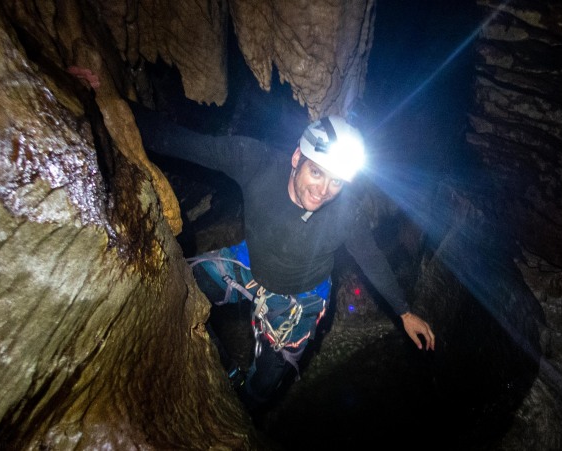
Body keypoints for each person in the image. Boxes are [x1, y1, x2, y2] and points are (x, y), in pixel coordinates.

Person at [131, 105, 435, 415]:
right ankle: (222, 368)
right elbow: (180, 141)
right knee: (178, 287)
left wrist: (404, 312)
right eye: (316, 172)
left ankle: (240, 414)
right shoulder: (256, 162)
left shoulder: (346, 215)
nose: (323, 191)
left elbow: (372, 258)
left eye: (336, 182)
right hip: (252, 260)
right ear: (296, 158)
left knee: (263, 384)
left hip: (300, 298)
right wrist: (107, 101)